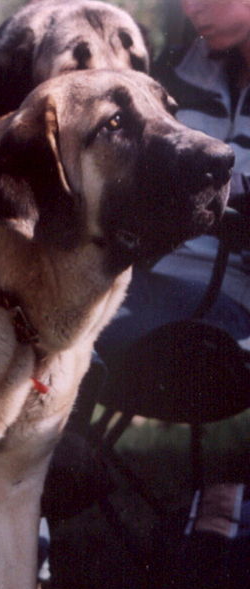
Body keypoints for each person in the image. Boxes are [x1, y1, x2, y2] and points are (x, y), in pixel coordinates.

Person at [96, 0, 250, 367]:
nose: (192, 8)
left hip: (231, 300)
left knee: (69, 333)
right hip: (142, 275)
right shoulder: (178, 70)